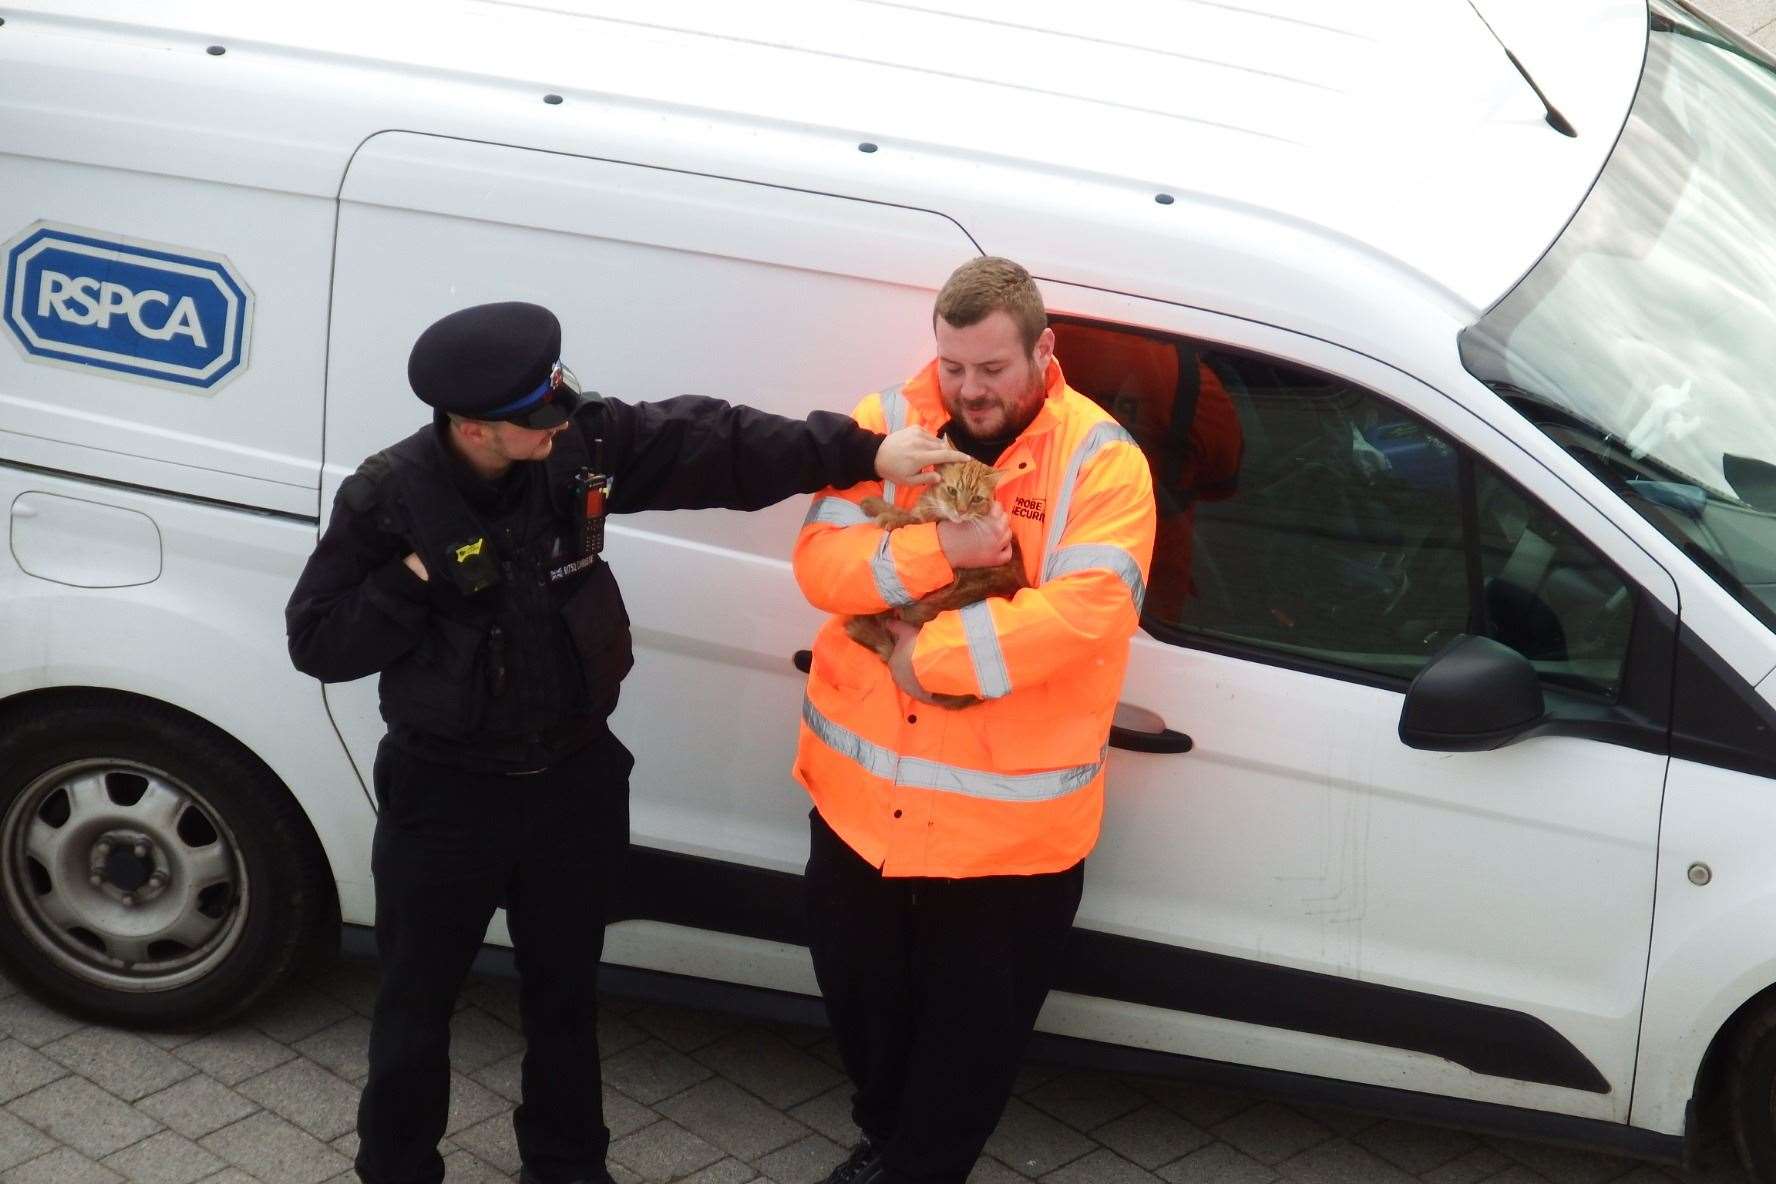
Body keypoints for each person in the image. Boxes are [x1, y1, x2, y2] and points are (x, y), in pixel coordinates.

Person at [284, 301, 966, 1184]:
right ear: (472, 427)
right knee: (415, 1007)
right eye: (534, 419)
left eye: (558, 401)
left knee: (565, 998)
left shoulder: (579, 442)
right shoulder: (389, 497)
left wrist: (860, 452)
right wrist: (415, 580)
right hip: (444, 796)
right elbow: (318, 642)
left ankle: (569, 1169)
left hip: (573, 782)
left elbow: (714, 443)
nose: (558, 424)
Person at [791, 258, 1157, 1184]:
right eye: (953, 366)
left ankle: (911, 1169)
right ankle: (885, 1144)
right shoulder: (886, 423)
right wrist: (933, 551)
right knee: (865, 1020)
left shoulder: (1100, 461)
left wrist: (929, 659)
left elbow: (1087, 611)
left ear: (1044, 350)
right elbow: (820, 567)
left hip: (1006, 841)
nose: (968, 389)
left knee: (963, 1063)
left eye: (991, 369)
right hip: (860, 812)